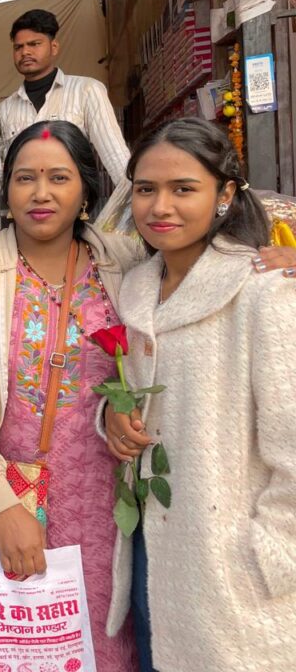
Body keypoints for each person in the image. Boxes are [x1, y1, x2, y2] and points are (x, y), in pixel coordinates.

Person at [0, 120, 145, 670]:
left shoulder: (123, 263)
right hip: (12, 497)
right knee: (27, 650)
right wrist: (1, 505)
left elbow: (199, 255)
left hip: (108, 507)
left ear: (86, 190)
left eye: (58, 177)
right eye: (25, 178)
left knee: (111, 643)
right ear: (6, 193)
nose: (41, 192)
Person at [101, 118, 296, 671]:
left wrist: (271, 555)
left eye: (183, 189)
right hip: (152, 558)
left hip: (233, 575)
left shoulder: (263, 291)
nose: (161, 206)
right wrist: (112, 417)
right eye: (146, 189)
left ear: (226, 195)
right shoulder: (137, 288)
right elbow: (131, 393)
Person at [0, 9, 130, 225]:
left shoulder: (87, 91)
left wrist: (128, 217)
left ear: (54, 47)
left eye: (34, 44)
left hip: (73, 215)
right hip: (24, 221)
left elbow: (117, 160)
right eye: (19, 47)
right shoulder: (4, 110)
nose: (25, 52)